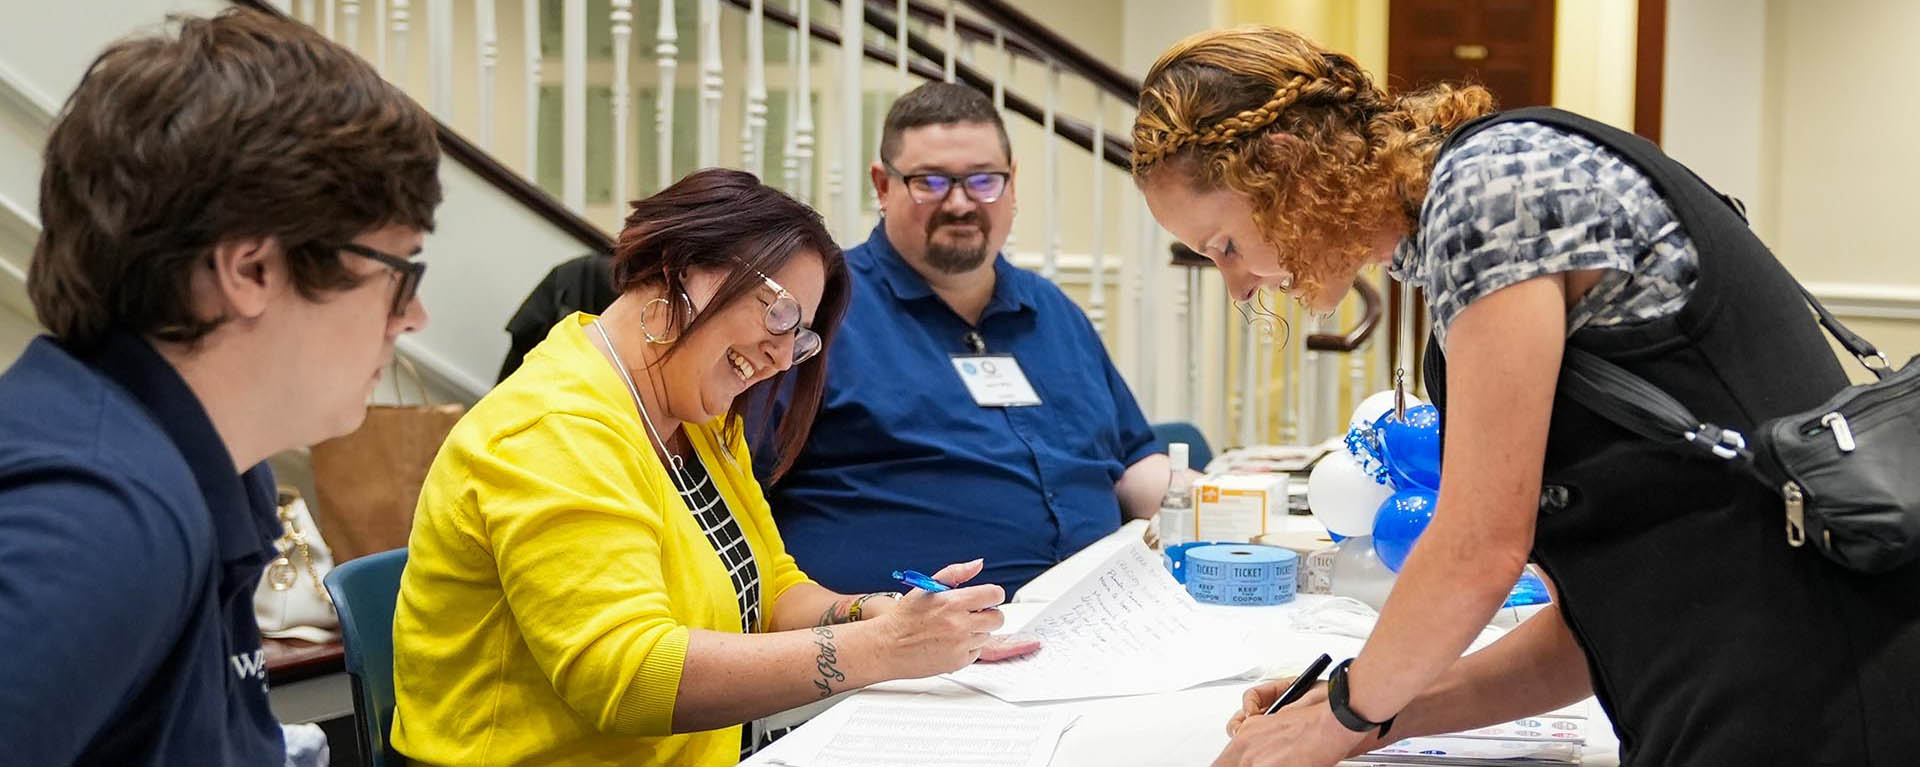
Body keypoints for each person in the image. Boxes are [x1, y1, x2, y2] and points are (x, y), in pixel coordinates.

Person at [1130, 25, 1920, 767]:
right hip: (1765, 677)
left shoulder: (1491, 193)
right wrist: (1362, 708)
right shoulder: (1485, 197)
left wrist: (1348, 709)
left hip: (1819, 699)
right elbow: (1597, 630)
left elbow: (1479, 549)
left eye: (1225, 245)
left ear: (1285, 160)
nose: (1237, 283)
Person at [391, 169, 1036, 767]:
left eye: (800, 335)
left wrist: (893, 616)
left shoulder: (691, 415)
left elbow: (771, 589)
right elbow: (629, 678)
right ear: (680, 269)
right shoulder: (554, 428)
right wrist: (884, 650)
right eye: (780, 314)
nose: (784, 358)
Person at [0, 9, 441, 764]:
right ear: (251, 271)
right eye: (399, 274)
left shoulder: (206, 467)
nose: (416, 317)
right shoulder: (102, 517)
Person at [760, 82, 1172, 598]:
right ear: (883, 186)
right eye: (930, 182)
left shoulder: (1053, 313)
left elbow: (1133, 460)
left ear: (1012, 183)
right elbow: (733, 488)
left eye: (983, 180)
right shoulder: (820, 314)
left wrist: (1234, 507)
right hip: (911, 653)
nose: (960, 203)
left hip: (1102, 621)